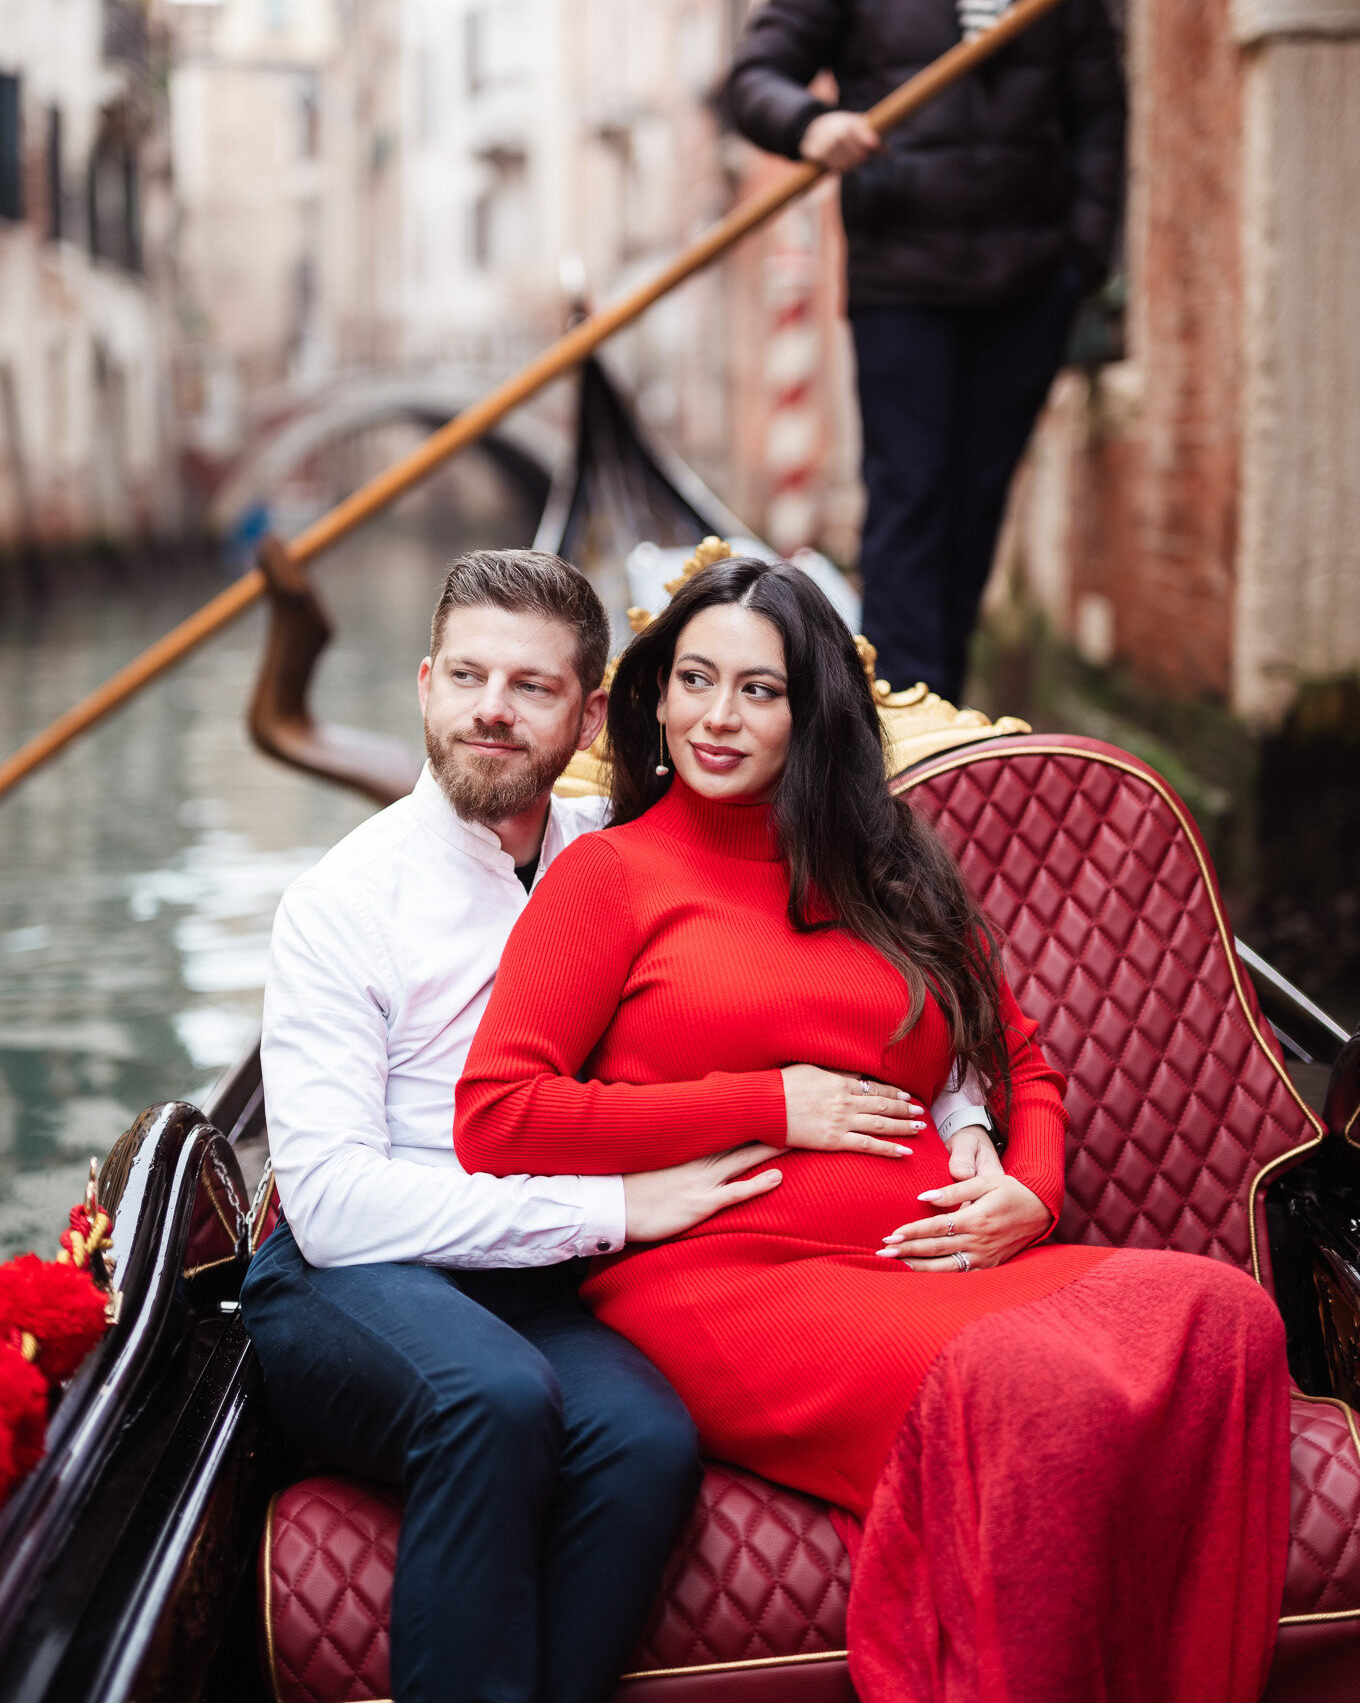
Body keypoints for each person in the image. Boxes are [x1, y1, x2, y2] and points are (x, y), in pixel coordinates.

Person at [455, 555, 1290, 1703]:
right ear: (650, 698)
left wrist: (1031, 1192)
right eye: (694, 680)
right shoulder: (608, 876)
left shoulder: (889, 871)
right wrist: (769, 1100)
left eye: (760, 689)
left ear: (812, 714)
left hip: (937, 1263)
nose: (717, 715)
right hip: (720, 1276)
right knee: (1026, 1389)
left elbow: (1018, 1057)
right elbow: (499, 1116)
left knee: (1225, 1314)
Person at [239, 545, 993, 1703]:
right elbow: (335, 1206)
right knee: (488, 1399)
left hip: (542, 1282)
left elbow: (879, 991)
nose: (493, 711)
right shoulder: (342, 904)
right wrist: (617, 1208)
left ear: (589, 711)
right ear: (426, 684)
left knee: (646, 1444)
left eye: (531, 687)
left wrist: (966, 1116)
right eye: (469, 678)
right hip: (364, 1267)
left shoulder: (625, 850)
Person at [725, 0, 1126, 705]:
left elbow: (1100, 119)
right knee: (909, 502)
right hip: (904, 278)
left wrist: (1079, 257)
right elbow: (753, 78)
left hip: (1029, 279)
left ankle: (939, 709)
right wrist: (814, 125)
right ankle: (907, 729)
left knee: (978, 502)